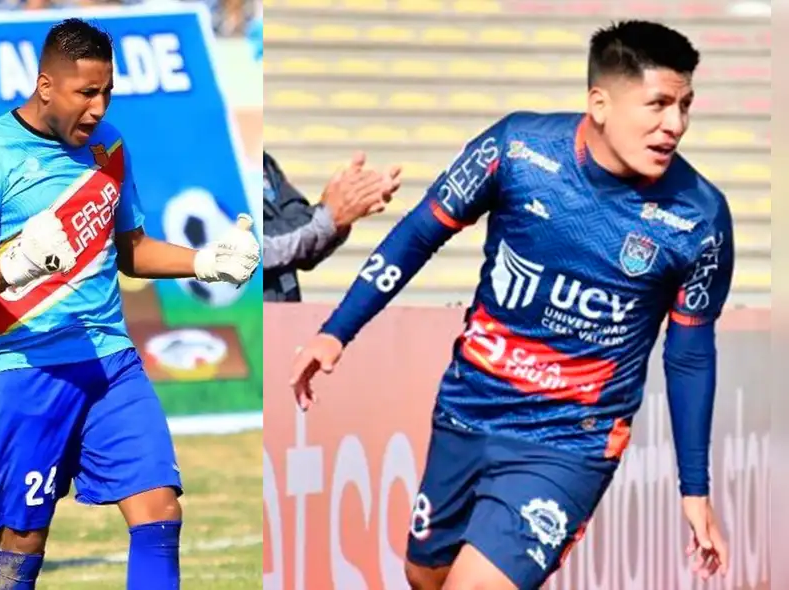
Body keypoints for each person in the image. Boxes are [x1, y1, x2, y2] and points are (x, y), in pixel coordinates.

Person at [289, 20, 733, 590]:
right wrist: (336, 332)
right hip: (469, 409)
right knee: (426, 576)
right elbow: (418, 234)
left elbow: (690, 355)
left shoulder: (699, 219)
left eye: (685, 106)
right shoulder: (516, 149)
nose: (675, 124)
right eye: (658, 105)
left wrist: (694, 489)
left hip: (572, 439)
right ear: (600, 102)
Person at [0, 18, 259, 589]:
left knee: (161, 512)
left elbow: (131, 250)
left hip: (110, 361)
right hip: (25, 369)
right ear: (46, 86)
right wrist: (17, 264)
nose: (98, 107)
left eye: (107, 90)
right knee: (24, 538)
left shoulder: (110, 146)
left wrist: (206, 261)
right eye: (85, 92)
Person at [263, 150, 400, 301]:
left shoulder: (262, 161)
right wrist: (328, 218)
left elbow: (299, 241)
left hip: (282, 315)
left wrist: (352, 204)